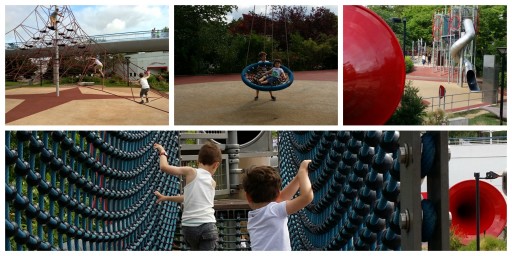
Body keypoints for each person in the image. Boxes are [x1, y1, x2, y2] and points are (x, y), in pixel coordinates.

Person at [153, 142, 222, 251]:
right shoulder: (213, 183)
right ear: (216, 165)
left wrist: (162, 151)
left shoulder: (191, 172)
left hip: (189, 228)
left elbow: (164, 167)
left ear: (198, 160)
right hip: (207, 226)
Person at [241, 160, 314, 251]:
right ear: (278, 193)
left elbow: (281, 197)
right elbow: (307, 197)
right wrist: (303, 171)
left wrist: (299, 176)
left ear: (248, 197)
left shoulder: (254, 216)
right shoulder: (275, 211)